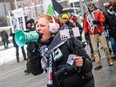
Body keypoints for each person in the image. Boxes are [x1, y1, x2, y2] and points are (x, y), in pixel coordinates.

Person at [27, 14, 95, 87]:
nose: (38, 29)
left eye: (42, 26)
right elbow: (36, 71)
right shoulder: (40, 48)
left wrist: (83, 62)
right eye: (37, 26)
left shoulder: (68, 39)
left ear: (53, 28)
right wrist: (33, 53)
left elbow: (89, 65)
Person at [84, 2, 113, 70]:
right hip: (92, 34)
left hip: (100, 32)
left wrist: (98, 21)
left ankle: (109, 60)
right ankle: (98, 64)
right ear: (88, 7)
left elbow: (103, 19)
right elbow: (85, 25)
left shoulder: (98, 12)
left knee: (105, 47)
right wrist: (86, 33)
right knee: (95, 50)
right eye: (90, 5)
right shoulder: (86, 15)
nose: (91, 6)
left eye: (92, 5)